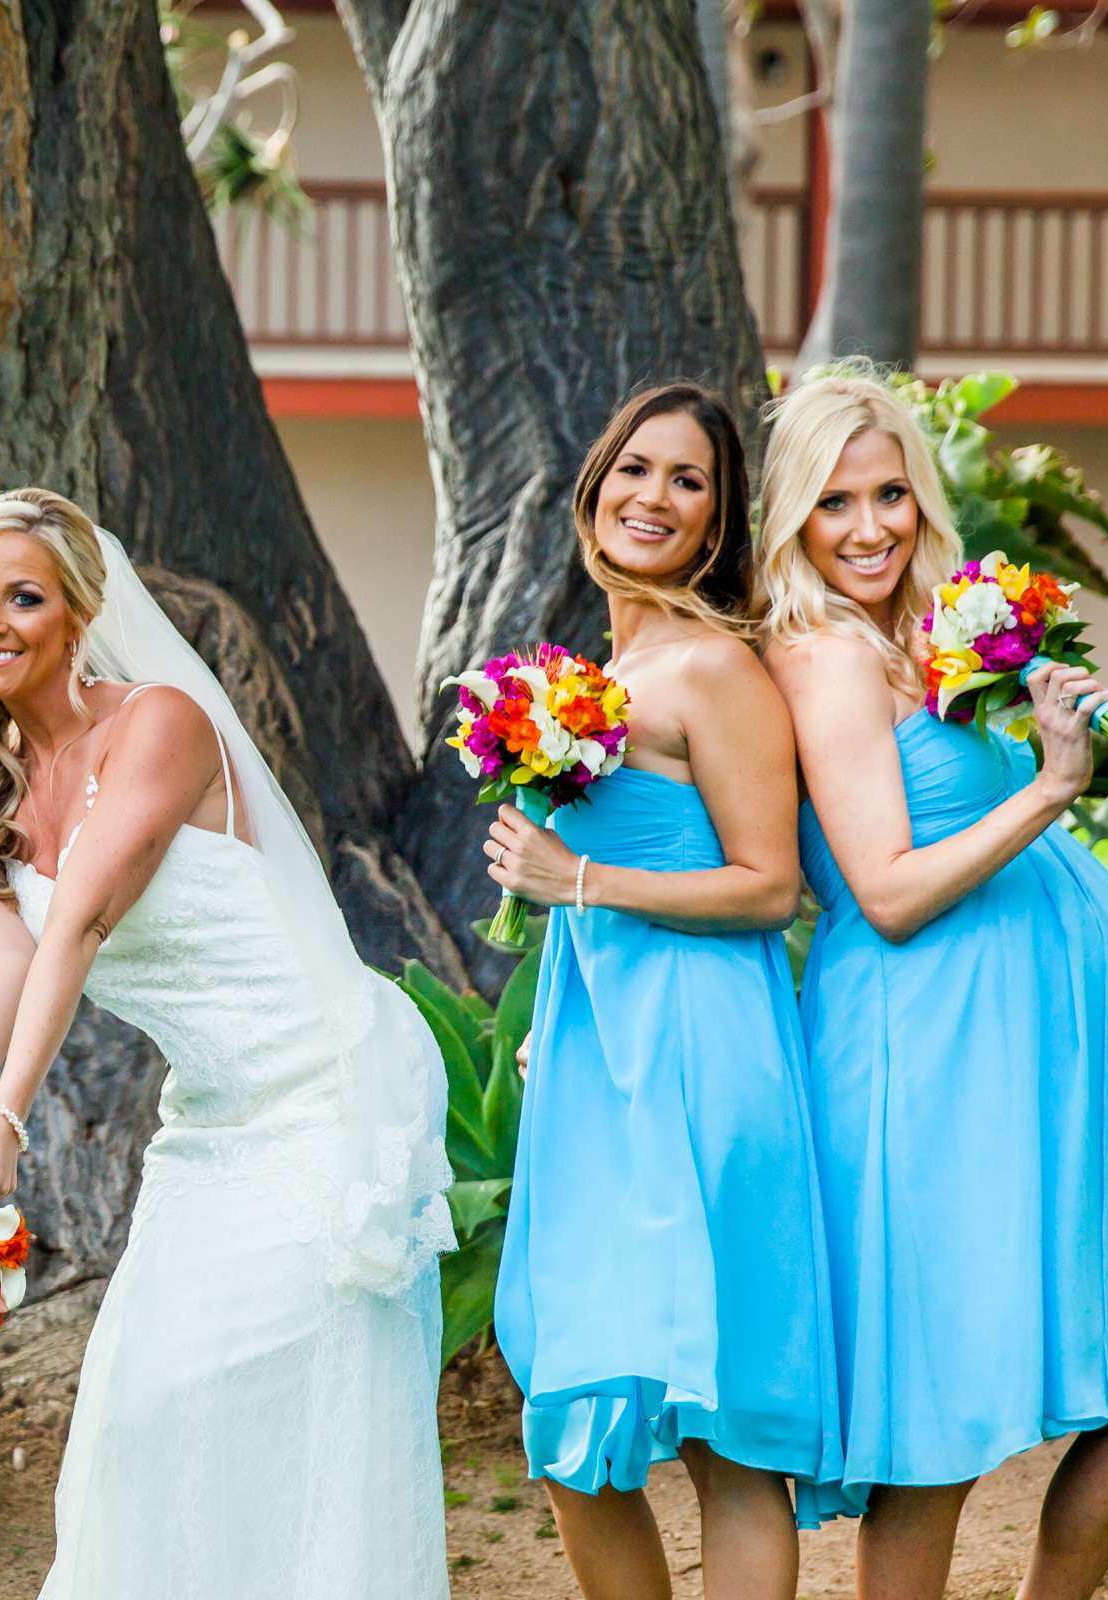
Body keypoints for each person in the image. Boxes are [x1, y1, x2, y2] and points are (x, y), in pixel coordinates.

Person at [757, 367, 1108, 1597]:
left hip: (1067, 1046)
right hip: (932, 1055)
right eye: (834, 504)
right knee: (934, 1424)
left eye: (889, 494)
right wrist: (1048, 786)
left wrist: (1042, 721)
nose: (870, 526)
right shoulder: (823, 654)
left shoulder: (930, 630)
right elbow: (882, 888)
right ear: (793, 520)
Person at [0, 489, 451, 1597]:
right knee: (138, 1410)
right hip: (211, 1126)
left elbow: (83, 919)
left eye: (25, 596)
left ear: (80, 611)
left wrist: (8, 1117)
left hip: (329, 1091)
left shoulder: (160, 721)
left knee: (306, 1415)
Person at [484, 383, 842, 1600]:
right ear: (595, 485)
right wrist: (558, 1014)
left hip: (701, 1053)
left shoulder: (713, 670)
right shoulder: (599, 671)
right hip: (598, 1053)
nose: (655, 497)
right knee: (577, 1427)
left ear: (716, 523)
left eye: (689, 483)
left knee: (722, 1436)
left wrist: (574, 876)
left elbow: (766, 886)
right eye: (637, 468)